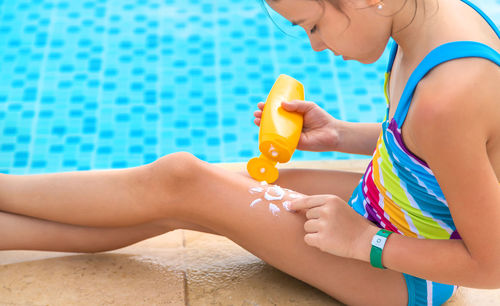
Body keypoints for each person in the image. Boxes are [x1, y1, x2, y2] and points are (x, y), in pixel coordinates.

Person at [0, 0, 498, 305]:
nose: (316, 45)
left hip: (405, 274)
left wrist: (362, 242)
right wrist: (342, 134)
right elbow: (431, 154)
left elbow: (491, 266)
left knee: (183, 180)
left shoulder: (445, 99)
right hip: (375, 204)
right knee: (180, 193)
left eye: (313, 25)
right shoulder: (432, 16)